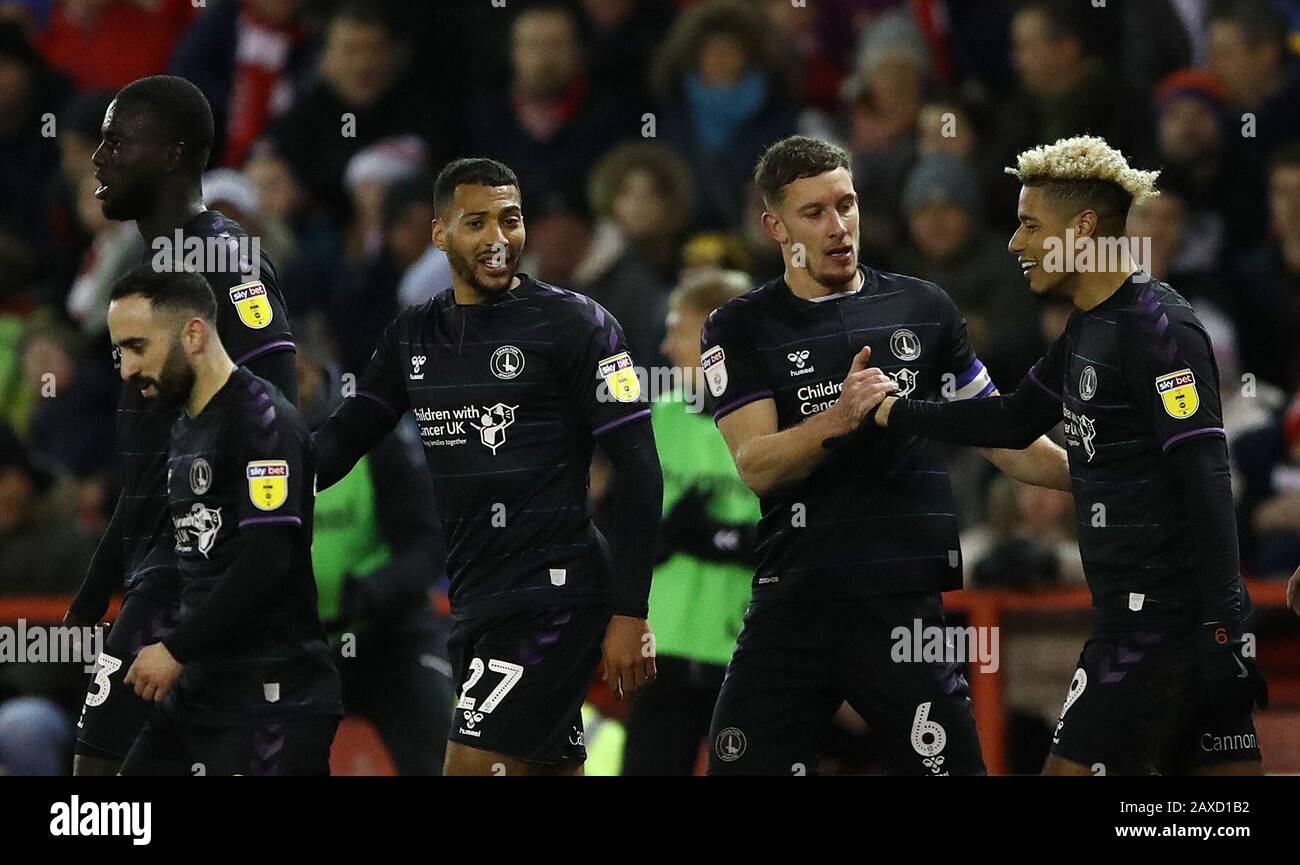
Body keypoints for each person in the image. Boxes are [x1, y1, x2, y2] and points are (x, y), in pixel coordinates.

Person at [869, 135, 1269, 775]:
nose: (1014, 243)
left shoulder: (1158, 330)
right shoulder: (1088, 327)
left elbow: (1207, 473)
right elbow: (1011, 420)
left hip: (1165, 625)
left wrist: (1222, 624)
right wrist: (894, 410)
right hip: (1154, 620)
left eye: (1030, 226)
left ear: (1083, 227)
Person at [700, 135, 1069, 776]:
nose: (838, 227)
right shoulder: (739, 327)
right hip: (796, 602)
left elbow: (1002, 436)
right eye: (814, 213)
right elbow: (757, 465)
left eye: (846, 205)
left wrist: (1106, 476)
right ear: (774, 225)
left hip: (902, 606)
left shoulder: (922, 309)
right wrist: (841, 417)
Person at [312, 157, 662, 776]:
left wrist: (631, 611)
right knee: (544, 768)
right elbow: (342, 441)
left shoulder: (578, 325)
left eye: (511, 220)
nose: (499, 239)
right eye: (477, 223)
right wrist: (259, 465)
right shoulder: (414, 335)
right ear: (439, 233)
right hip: (477, 596)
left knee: (471, 767)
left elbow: (640, 472)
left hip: (556, 591)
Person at [65, 75, 297, 777]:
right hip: (157, 571)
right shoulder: (146, 270)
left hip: (199, 575)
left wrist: (230, 563)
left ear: (170, 154)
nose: (97, 159)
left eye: (116, 141)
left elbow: (279, 412)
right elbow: (149, 469)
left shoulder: (224, 260)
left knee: (101, 774)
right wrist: (93, 591)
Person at [107, 265, 340, 775]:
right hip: (203, 692)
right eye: (119, 351)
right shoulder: (184, 425)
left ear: (193, 334)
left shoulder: (262, 423)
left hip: (273, 699)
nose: (125, 369)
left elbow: (268, 558)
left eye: (136, 347)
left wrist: (175, 647)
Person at [620, 269, 758, 776]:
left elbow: (787, 538)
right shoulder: (656, 418)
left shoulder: (774, 422)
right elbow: (628, 530)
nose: (668, 344)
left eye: (680, 328)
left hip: (744, 649)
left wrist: (709, 537)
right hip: (665, 649)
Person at [297, 345, 455, 776]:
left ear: (315, 369)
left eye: (293, 372)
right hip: (293, 648)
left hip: (388, 638)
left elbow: (427, 545)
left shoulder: (373, 436)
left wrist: (373, 591)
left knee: (444, 745)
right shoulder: (244, 444)